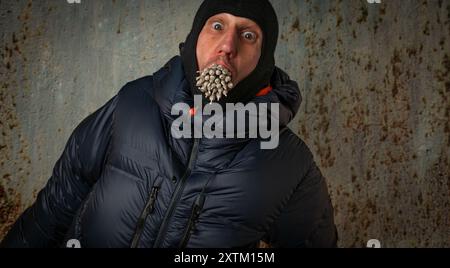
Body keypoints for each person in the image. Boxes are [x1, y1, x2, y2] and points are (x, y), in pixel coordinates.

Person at [0, 0, 338, 248]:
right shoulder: (132, 104)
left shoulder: (291, 165)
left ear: (263, 61)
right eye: (217, 26)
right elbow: (56, 206)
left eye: (248, 35)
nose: (227, 46)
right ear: (194, 38)